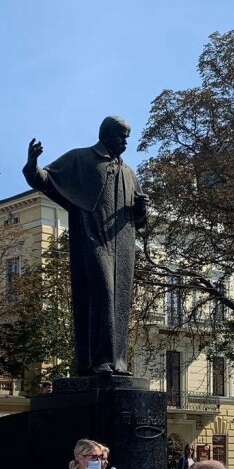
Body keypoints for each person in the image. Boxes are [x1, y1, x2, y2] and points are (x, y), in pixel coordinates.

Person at [23, 118, 148, 375]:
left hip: (123, 245)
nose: (126, 142)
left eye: (128, 137)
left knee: (120, 301)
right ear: (106, 135)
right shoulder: (81, 159)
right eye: (121, 136)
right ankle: (97, 360)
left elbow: (141, 221)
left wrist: (141, 208)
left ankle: (118, 362)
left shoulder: (129, 173)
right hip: (93, 239)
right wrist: (32, 165)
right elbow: (45, 179)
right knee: (102, 293)